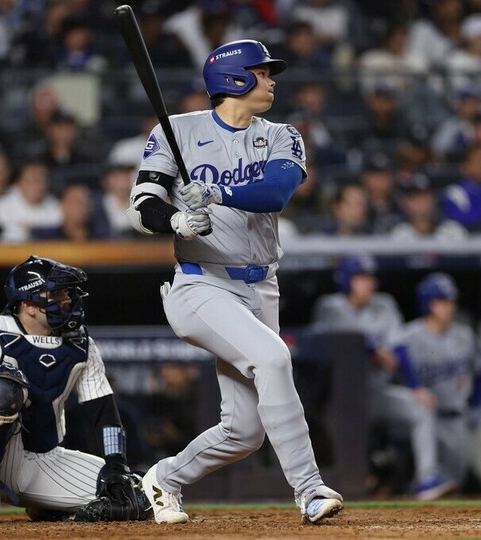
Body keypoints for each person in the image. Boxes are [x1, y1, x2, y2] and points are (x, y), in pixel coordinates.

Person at [125, 39, 343, 525]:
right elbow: (141, 205)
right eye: (262, 72)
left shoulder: (282, 134)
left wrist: (217, 192)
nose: (271, 80)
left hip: (262, 286)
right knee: (274, 357)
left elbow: (277, 191)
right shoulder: (177, 130)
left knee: (245, 431)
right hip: (200, 284)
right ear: (234, 79)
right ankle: (309, 489)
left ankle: (164, 478)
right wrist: (176, 221)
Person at [0, 256, 152, 525]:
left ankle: (46, 506)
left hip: (40, 458)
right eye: (56, 294)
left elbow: (104, 413)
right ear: (28, 305)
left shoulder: (82, 345)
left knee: (136, 497)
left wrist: (115, 464)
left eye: (67, 292)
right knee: (1, 389)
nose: (67, 300)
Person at [371, 273, 481, 500]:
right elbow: (395, 356)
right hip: (428, 417)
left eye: (451, 301)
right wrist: (414, 387)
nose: (449, 307)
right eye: (442, 301)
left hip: (457, 418)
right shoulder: (410, 335)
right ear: (428, 304)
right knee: (425, 479)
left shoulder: (464, 335)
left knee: (454, 484)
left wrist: (477, 407)